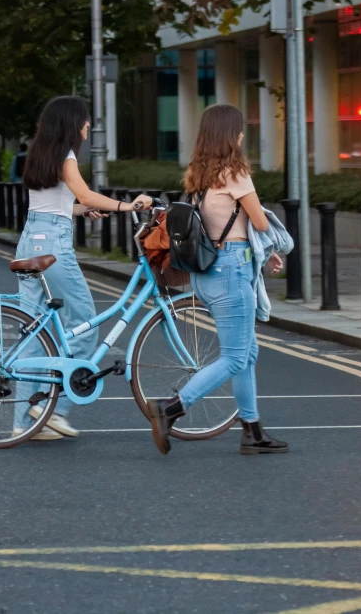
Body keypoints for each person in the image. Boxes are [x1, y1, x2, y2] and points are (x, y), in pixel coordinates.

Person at [148, 103, 288, 457]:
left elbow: (222, 224)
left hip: (207, 275)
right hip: (230, 272)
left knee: (247, 353)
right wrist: (271, 241)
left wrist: (262, 251)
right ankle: (172, 408)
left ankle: (252, 432)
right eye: (240, 129)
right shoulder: (235, 172)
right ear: (232, 134)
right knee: (235, 357)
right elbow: (258, 222)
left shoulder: (199, 175)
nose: (242, 135)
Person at [13, 95, 152, 441]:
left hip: (31, 238)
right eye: (85, 120)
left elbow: (53, 203)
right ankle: (54, 409)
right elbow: (86, 193)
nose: (88, 125)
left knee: (34, 333)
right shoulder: (67, 155)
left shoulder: (40, 152)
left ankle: (24, 422)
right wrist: (127, 205)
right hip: (53, 246)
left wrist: (76, 211)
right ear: (72, 123)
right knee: (86, 321)